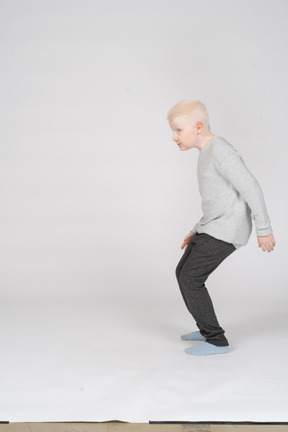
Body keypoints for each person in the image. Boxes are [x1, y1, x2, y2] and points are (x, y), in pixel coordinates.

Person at [167, 99, 276, 356]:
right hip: (214, 225)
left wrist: (264, 229)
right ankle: (207, 329)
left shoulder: (220, 151)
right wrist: (197, 228)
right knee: (182, 272)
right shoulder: (207, 153)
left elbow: (251, 187)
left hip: (228, 229)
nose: (174, 137)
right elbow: (217, 202)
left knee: (190, 278)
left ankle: (216, 340)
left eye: (178, 130)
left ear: (198, 126)